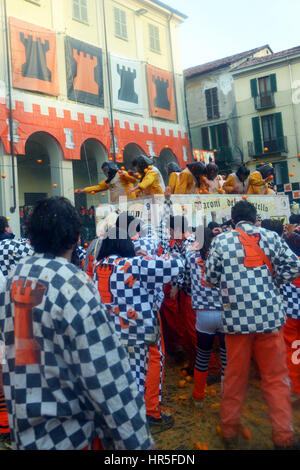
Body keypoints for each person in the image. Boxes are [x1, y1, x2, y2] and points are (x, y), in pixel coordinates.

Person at [0, 197, 154, 450]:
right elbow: (107, 373)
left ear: (31, 236)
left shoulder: (16, 276)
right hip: (68, 434)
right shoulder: (73, 283)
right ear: (75, 237)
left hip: (25, 427)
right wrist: (138, 442)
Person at [205, 200, 300, 450]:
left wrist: (232, 283)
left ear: (233, 220)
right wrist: (274, 281)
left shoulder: (222, 240)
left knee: (234, 378)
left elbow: (210, 276)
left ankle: (229, 431)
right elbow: (295, 265)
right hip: (270, 318)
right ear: (255, 218)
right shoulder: (271, 236)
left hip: (236, 321)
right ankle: (283, 436)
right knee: (276, 378)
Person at [93, 226, 184, 433]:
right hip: (141, 330)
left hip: (112, 331)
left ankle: (126, 414)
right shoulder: (133, 264)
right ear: (125, 243)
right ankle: (151, 413)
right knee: (153, 363)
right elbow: (177, 264)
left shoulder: (99, 266)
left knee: (125, 372)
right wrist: (146, 257)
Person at [184, 228, 227, 407]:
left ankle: (198, 397)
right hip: (225, 312)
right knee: (227, 359)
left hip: (203, 313)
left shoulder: (190, 256)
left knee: (202, 356)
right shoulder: (223, 254)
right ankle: (228, 400)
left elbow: (186, 281)